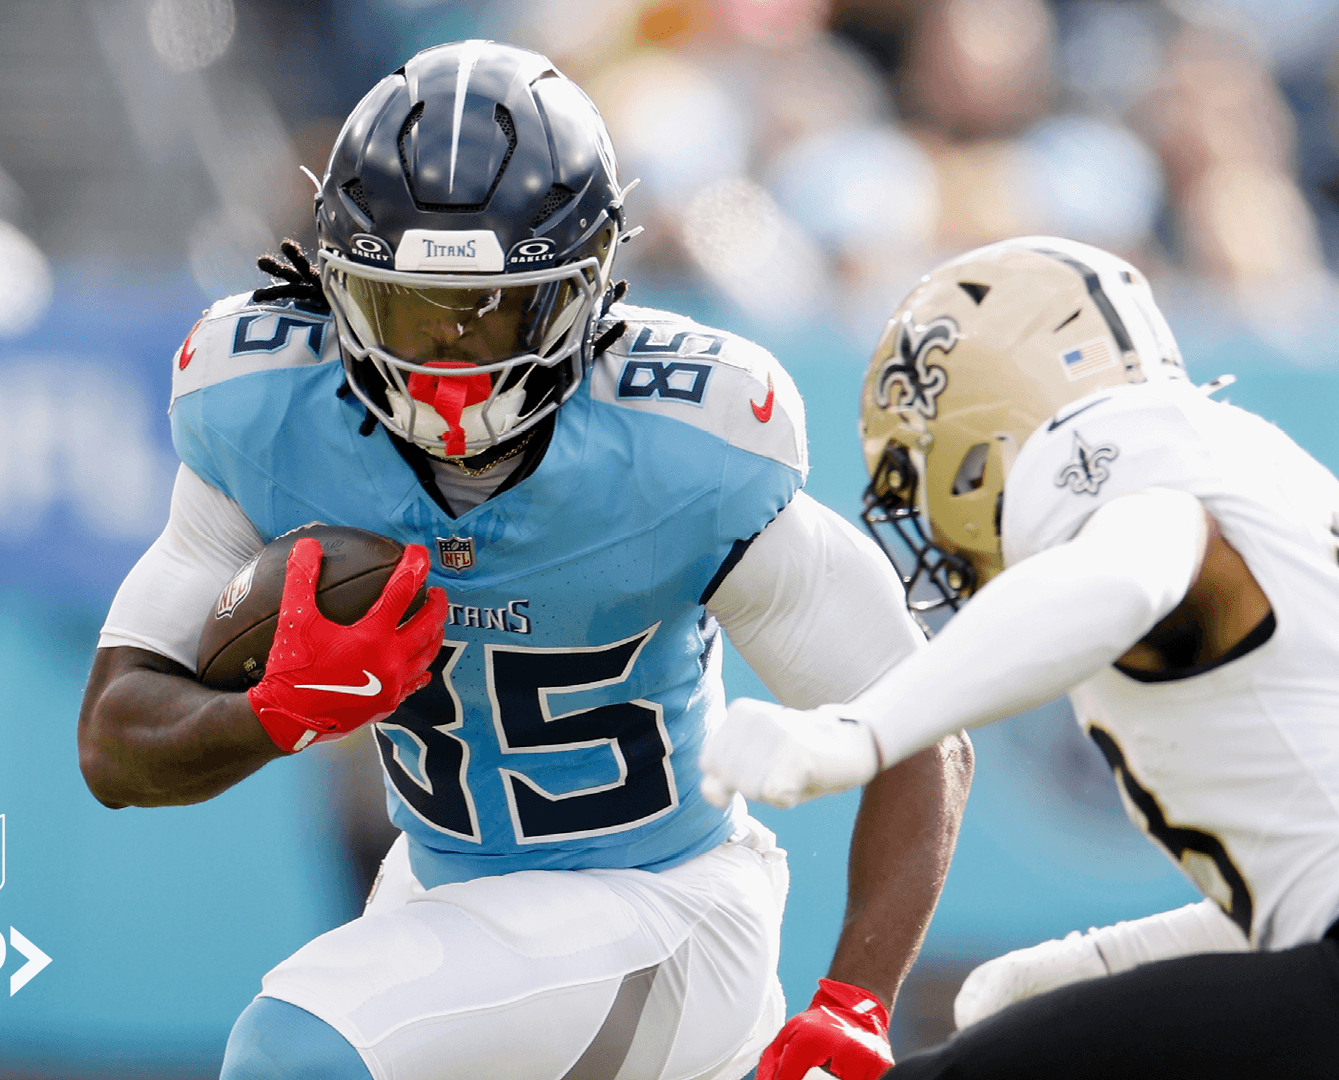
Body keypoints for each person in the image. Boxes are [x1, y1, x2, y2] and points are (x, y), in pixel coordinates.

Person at [78, 40, 971, 1080]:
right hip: (443, 896)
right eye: (410, 311)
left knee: (293, 1050)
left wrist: (857, 1000)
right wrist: (272, 714)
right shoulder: (266, 407)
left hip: (662, 907)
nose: (449, 360)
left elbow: (921, 727)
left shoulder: (683, 446)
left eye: (493, 311)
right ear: (334, 284)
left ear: (587, 286)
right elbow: (113, 743)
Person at [699, 236, 1339, 1078]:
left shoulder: (1102, 450)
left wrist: (862, 731)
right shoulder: (1263, 474)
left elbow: (1127, 574)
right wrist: (1100, 962)